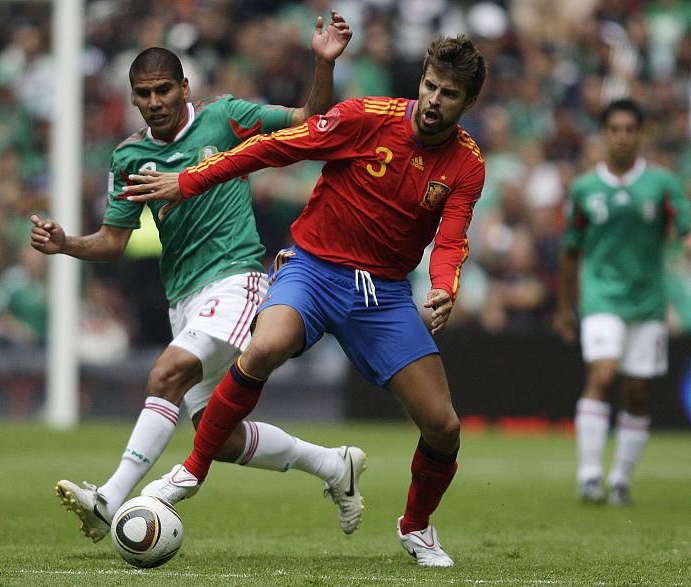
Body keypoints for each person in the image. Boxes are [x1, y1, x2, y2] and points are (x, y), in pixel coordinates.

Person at [124, 34, 487, 567]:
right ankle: (191, 471)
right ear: (421, 80)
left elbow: (452, 238)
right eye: (430, 86)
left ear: (468, 103)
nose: (434, 101)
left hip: (381, 294)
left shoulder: (467, 164)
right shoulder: (365, 117)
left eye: (449, 94)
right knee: (266, 346)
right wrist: (191, 180)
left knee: (444, 426)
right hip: (312, 269)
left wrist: (442, 290)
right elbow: (274, 147)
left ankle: (416, 527)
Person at [30, 12, 365, 543]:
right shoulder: (129, 157)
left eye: (164, 89)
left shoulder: (226, 117)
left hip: (236, 281)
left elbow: (309, 118)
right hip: (183, 298)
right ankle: (332, 465)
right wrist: (66, 243)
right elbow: (113, 242)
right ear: (133, 98)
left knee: (166, 375)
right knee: (223, 439)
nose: (156, 101)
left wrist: (322, 63)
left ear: (185, 87)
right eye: (144, 93)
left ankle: (109, 498)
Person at [553, 98, 691, 506]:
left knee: (637, 393)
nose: (623, 137)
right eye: (615, 129)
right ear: (604, 134)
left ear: (640, 134)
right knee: (603, 373)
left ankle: (620, 480)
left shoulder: (662, 185)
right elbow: (570, 250)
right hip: (601, 297)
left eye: (631, 129)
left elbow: (685, 225)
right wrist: (565, 306)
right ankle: (590, 474)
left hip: (647, 303)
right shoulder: (584, 189)